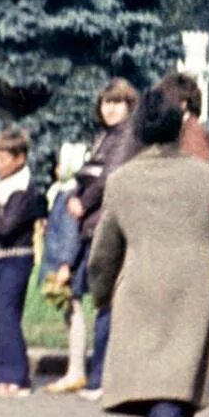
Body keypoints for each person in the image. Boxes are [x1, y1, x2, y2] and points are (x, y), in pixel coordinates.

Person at [87, 86, 209, 417]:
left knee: (158, 381)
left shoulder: (123, 181)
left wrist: (100, 293)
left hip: (140, 286)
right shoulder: (204, 176)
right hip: (193, 285)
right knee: (182, 375)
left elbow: (105, 251)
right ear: (178, 128)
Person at [67, 78, 140, 398]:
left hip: (107, 225)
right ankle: (100, 375)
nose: (109, 108)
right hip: (94, 224)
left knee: (106, 302)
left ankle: (102, 377)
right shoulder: (106, 136)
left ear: (129, 105)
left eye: (116, 102)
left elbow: (111, 176)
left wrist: (82, 201)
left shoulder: (125, 137)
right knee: (100, 299)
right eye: (105, 103)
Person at [0, 128, 39, 397]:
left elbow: (6, 227)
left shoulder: (23, 189)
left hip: (15, 259)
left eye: (3, 158)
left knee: (7, 314)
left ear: (20, 158)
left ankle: (15, 376)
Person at [39, 145, 90, 392]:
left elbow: (70, 233)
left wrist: (65, 265)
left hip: (65, 264)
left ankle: (76, 370)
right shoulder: (62, 192)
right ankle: (75, 369)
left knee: (74, 313)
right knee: (70, 314)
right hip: (63, 262)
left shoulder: (70, 194)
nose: (56, 169)